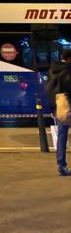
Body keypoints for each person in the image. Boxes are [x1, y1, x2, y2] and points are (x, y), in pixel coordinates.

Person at [47, 48, 71, 176]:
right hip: (68, 105)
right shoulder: (68, 70)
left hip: (59, 106)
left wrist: (53, 107)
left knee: (62, 136)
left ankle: (61, 166)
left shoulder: (53, 70)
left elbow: (49, 89)